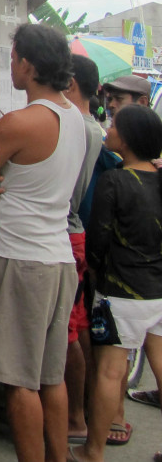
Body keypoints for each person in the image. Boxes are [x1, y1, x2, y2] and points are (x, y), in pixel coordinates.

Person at [0, 23, 84, 462]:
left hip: (21, 258)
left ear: (26, 63)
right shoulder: (76, 117)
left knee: (19, 380)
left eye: (13, 57)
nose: (10, 64)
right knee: (50, 376)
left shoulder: (20, 122)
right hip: (58, 257)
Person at [71, 104, 162, 462]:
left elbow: (98, 240)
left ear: (128, 139)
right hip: (158, 291)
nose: (108, 129)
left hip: (120, 293)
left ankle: (93, 451)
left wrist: (95, 271)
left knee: (110, 372)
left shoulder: (115, 181)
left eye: (114, 126)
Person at [61, 55, 103, 444]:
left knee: (70, 331)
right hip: (75, 234)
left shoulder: (80, 129)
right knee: (76, 327)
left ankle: (75, 417)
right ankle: (81, 409)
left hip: (68, 232)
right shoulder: (92, 128)